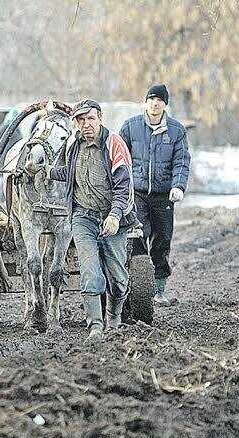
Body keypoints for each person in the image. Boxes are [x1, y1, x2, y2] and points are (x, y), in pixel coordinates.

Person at [48, 99, 138, 344]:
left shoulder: (114, 144)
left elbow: (124, 185)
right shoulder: (72, 146)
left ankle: (114, 315)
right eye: (81, 120)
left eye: (90, 119)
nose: (86, 124)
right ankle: (96, 327)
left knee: (119, 280)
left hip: (112, 219)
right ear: (76, 123)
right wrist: (45, 171)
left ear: (100, 119)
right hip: (83, 217)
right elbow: (68, 173)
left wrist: (115, 215)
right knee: (90, 273)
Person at [119, 84, 191, 303]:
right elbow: (119, 157)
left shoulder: (176, 130)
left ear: (165, 104)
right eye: (151, 99)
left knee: (162, 241)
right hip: (137, 193)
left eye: (159, 100)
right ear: (145, 102)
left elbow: (181, 161)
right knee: (137, 235)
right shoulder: (131, 127)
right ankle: (138, 287)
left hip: (163, 196)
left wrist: (178, 186)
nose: (155, 103)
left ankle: (159, 290)